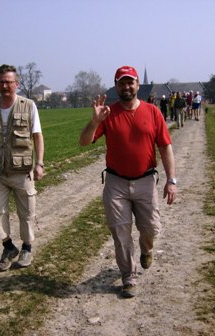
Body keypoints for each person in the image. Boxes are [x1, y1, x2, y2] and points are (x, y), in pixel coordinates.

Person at [79, 65, 178, 298]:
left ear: (137, 85)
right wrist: (94, 122)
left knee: (151, 228)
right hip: (116, 182)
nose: (126, 86)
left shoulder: (153, 112)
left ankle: (147, 249)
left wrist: (171, 180)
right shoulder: (108, 113)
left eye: (130, 82)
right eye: (121, 83)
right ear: (116, 86)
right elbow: (84, 142)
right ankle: (128, 276)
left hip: (145, 181)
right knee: (120, 232)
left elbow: (165, 147)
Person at [0, 64, 44, 271]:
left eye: (8, 82)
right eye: (1, 82)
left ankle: (27, 248)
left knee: (26, 215)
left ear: (16, 83)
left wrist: (40, 163)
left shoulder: (29, 105)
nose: (5, 85)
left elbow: (37, 136)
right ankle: (8, 247)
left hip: (21, 172)